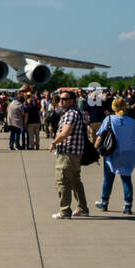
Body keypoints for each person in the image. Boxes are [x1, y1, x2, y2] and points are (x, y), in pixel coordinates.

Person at [49, 91, 90, 220]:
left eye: (65, 99)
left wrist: (54, 142)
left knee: (63, 181)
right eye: (60, 99)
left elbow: (65, 132)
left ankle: (65, 211)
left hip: (68, 153)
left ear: (73, 100)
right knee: (75, 181)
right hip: (76, 153)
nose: (61, 101)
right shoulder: (78, 112)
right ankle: (82, 208)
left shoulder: (70, 114)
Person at [95, 97, 135, 214]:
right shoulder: (132, 121)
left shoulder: (109, 119)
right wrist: (132, 151)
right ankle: (128, 205)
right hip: (128, 153)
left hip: (112, 152)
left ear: (113, 107)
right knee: (126, 178)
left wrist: (94, 149)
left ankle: (104, 202)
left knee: (108, 179)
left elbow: (100, 136)